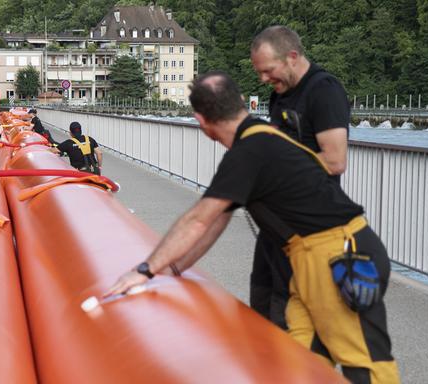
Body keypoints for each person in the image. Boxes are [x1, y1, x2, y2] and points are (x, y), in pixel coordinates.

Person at [105, 72, 397, 384]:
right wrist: (175, 268)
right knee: (299, 357)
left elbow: (199, 218)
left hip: (337, 255)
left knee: (364, 362)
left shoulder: (250, 151)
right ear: (241, 102)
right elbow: (217, 219)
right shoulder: (261, 138)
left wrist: (146, 270)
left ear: (201, 120)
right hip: (312, 259)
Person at [248, 25, 351, 329]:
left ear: (292, 57)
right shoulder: (279, 95)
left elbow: (334, 160)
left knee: (292, 319)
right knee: (262, 307)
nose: (264, 79)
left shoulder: (324, 90)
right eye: (260, 73)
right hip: (274, 229)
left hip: (309, 229)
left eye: (268, 70)